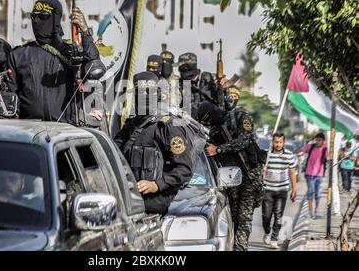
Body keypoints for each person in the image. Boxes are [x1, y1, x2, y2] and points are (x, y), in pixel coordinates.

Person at [8, 0, 105, 123]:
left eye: (43, 16)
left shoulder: (71, 52)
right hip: (28, 130)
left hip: (66, 130)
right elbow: (10, 95)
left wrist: (85, 33)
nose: (36, 21)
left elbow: (94, 66)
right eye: (33, 16)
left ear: (55, 19)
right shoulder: (19, 55)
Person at [115, 71, 194, 215]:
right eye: (140, 92)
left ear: (157, 94)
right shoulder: (131, 125)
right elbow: (112, 152)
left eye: (149, 92)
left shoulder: (167, 126)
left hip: (157, 206)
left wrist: (157, 185)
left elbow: (185, 168)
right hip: (130, 201)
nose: (145, 96)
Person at [198, 100, 264, 251]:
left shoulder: (240, 115)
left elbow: (244, 140)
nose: (209, 124)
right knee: (233, 217)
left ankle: (240, 248)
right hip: (230, 178)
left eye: (208, 120)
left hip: (250, 175)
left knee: (244, 218)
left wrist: (219, 149)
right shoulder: (214, 131)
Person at [262, 133, 297, 249]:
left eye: (280, 142)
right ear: (272, 142)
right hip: (268, 190)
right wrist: (263, 170)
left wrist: (294, 189)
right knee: (266, 216)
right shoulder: (267, 155)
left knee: (278, 215)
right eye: (276, 142)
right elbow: (260, 169)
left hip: (282, 190)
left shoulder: (288, 155)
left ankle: (274, 238)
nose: (278, 144)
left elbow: (292, 172)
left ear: (284, 143)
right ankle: (267, 232)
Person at [301, 132, 329, 219]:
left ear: (323, 141)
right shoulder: (311, 147)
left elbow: (328, 158)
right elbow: (301, 149)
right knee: (310, 192)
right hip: (309, 174)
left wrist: (328, 157)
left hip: (319, 175)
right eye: (317, 139)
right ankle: (310, 212)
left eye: (320, 140)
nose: (318, 141)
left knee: (317, 193)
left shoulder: (325, 149)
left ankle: (316, 210)